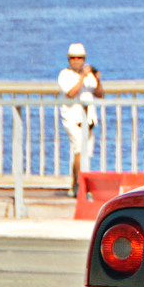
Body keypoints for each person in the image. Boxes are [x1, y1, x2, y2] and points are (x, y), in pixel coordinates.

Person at [57, 42, 104, 196]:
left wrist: (97, 79)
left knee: (86, 153)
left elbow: (100, 93)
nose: (76, 61)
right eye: (73, 58)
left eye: (80, 58)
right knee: (79, 150)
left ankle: (74, 185)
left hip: (89, 119)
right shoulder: (65, 75)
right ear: (69, 60)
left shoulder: (89, 76)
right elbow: (71, 93)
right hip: (72, 118)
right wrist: (82, 76)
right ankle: (82, 186)